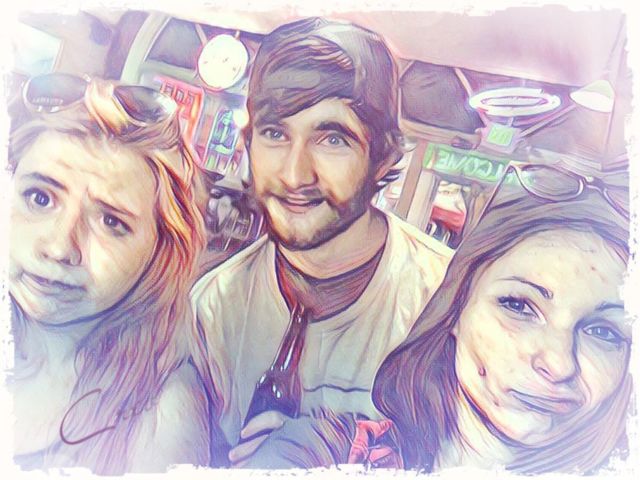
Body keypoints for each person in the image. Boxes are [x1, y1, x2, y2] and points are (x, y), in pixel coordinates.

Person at [243, 163, 633, 474]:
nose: (559, 363)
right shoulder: (334, 454)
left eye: (604, 332)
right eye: (518, 306)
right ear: (457, 308)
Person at [191, 17, 452, 466]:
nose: (295, 175)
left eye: (332, 139)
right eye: (275, 133)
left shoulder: (445, 303)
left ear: (383, 157)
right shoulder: (214, 306)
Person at [7, 73, 216, 473]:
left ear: (160, 253)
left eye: (111, 222)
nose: (59, 247)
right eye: (39, 198)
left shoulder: (163, 416)